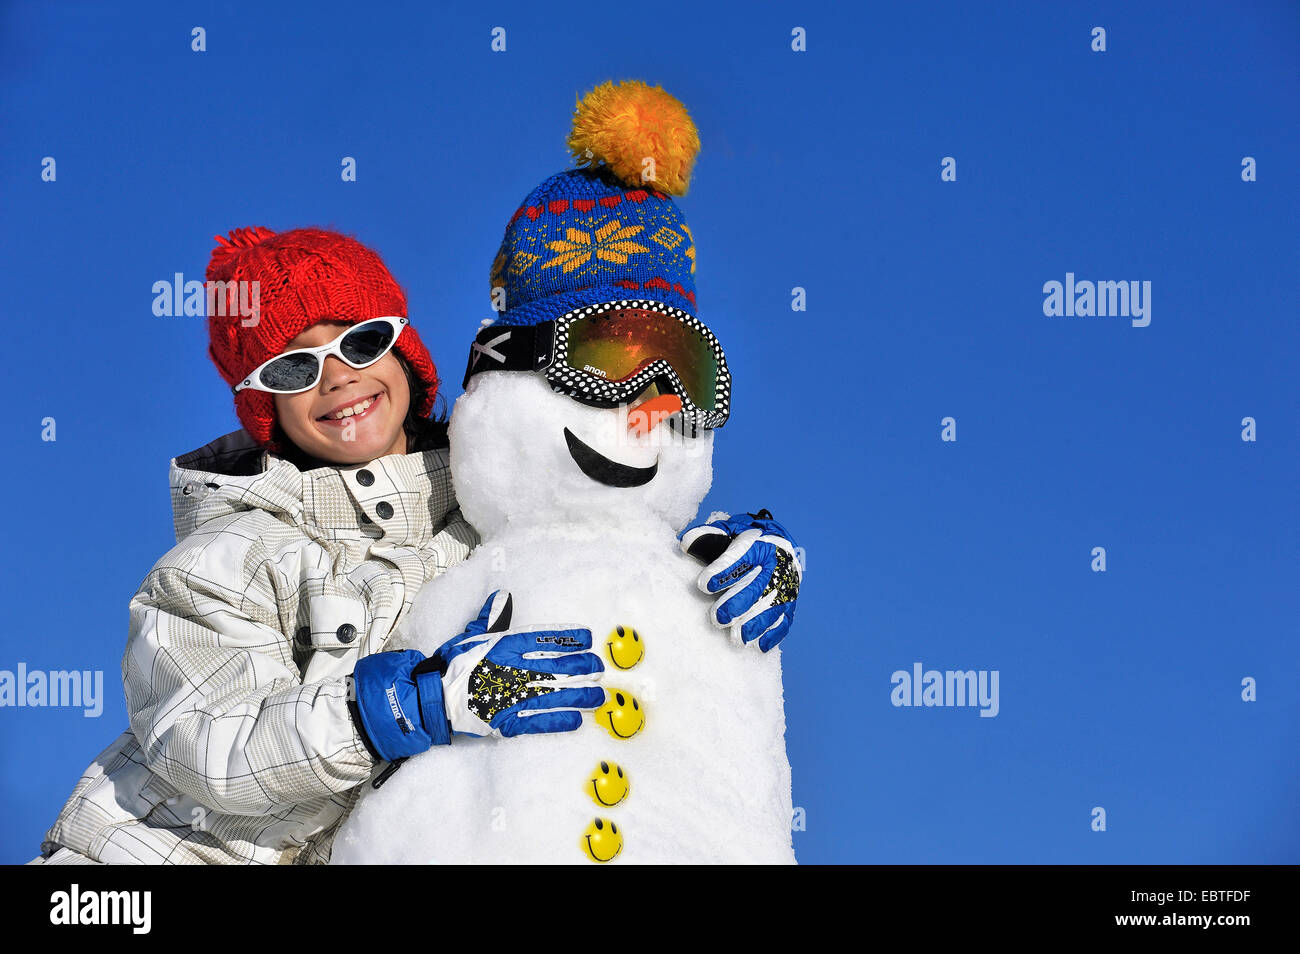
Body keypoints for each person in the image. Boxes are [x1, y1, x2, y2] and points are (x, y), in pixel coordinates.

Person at [29, 226, 607, 865]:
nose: (336, 377)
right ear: (266, 405)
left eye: (361, 342)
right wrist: (393, 707)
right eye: (295, 366)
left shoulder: (492, 522)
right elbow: (204, 738)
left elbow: (607, 534)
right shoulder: (229, 554)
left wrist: (711, 566)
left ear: (404, 354)